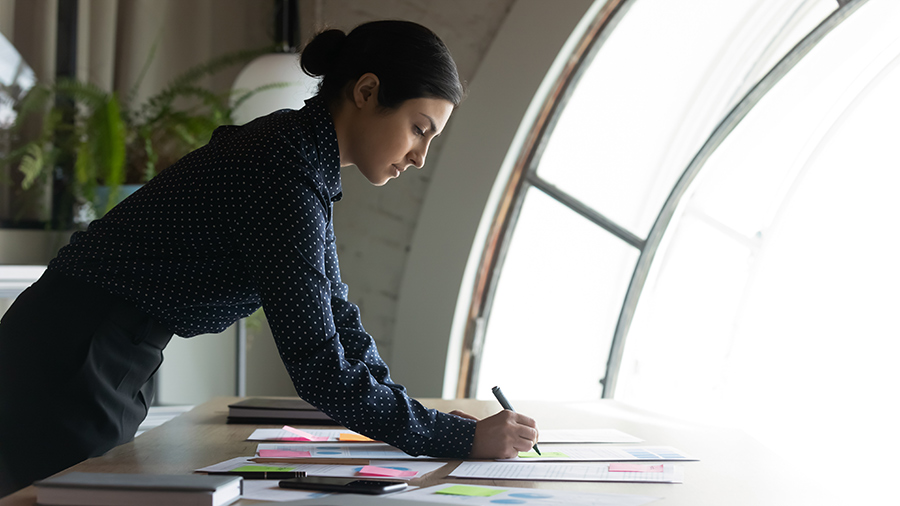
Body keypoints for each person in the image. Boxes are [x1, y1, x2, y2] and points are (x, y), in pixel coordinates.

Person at [0, 20, 539, 496]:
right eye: (420, 129)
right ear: (368, 91)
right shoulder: (282, 173)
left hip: (93, 349)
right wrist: (457, 435)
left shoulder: (299, 159)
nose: (420, 156)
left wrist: (434, 424)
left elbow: (340, 323)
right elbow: (320, 367)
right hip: (72, 360)